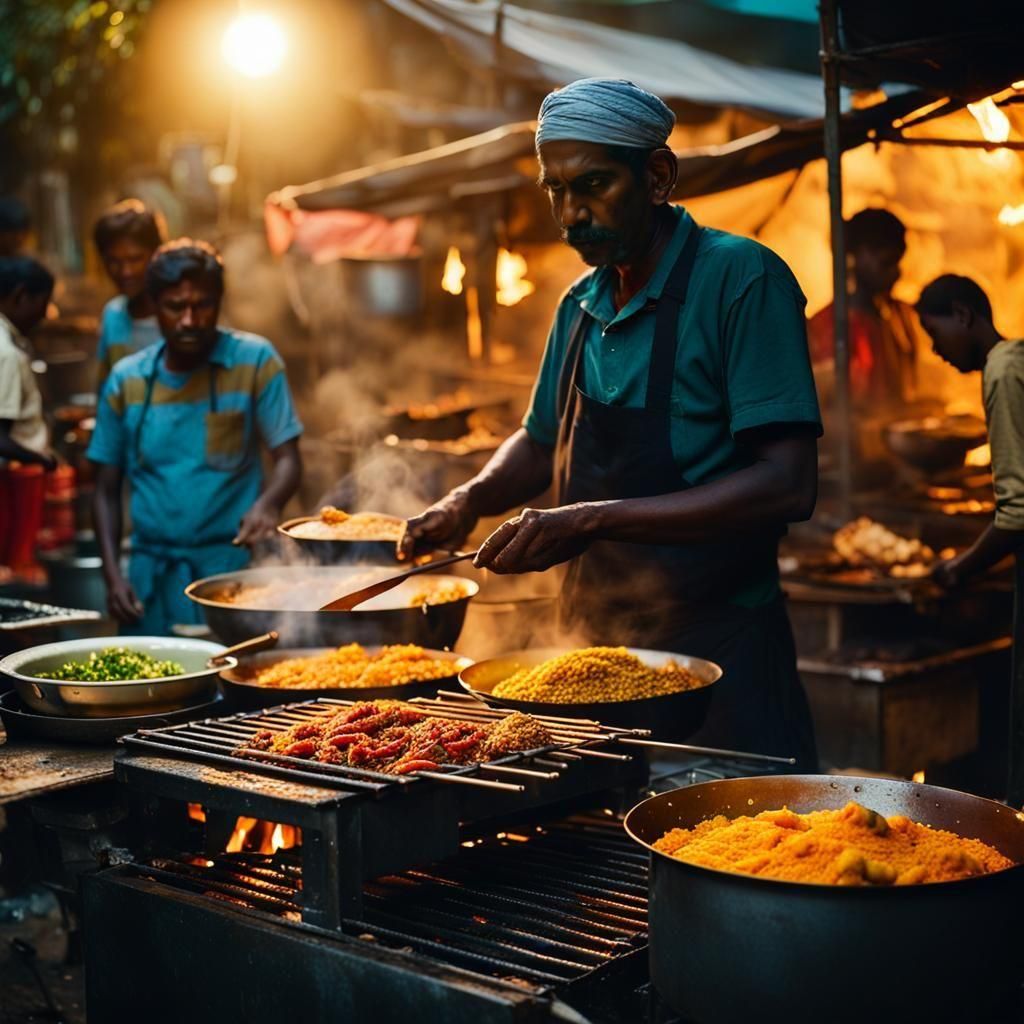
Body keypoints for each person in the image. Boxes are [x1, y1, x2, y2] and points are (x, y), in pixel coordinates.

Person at [402, 78, 822, 767]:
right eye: (554, 190)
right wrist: (466, 501)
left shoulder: (741, 280)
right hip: (593, 648)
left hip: (722, 646)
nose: (569, 213)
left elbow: (787, 485)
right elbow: (541, 441)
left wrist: (589, 519)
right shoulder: (580, 305)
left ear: (657, 177)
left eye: (592, 184)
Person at [87, 239, 303, 634]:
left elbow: (288, 458)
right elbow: (104, 487)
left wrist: (269, 504)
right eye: (175, 307)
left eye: (202, 305)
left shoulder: (255, 361)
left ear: (218, 302)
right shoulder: (127, 380)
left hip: (233, 574)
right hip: (149, 579)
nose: (190, 320)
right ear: (153, 306)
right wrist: (112, 577)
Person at [918, 274, 1024, 803]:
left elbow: (1016, 514)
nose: (935, 351)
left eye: (934, 334)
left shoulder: (1003, 369)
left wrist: (959, 568)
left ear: (963, 315)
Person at [807, 208, 920, 411]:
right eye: (886, 263)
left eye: (898, 263)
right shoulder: (830, 326)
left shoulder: (899, 315)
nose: (895, 273)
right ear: (855, 257)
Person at [0, 257, 57, 579]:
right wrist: (41, 459)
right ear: (21, 296)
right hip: (13, 481)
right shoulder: (5, 352)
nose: (44, 315)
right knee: (14, 567)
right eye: (42, 304)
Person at [93, 199, 166, 393]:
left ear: (155, 254)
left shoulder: (180, 314)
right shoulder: (112, 314)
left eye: (135, 259)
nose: (125, 272)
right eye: (114, 261)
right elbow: (106, 387)